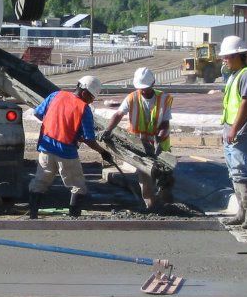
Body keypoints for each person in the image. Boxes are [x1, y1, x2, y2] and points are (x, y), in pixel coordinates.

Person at [28, 76, 114, 219]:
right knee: (77, 186)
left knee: (40, 182)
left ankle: (33, 215)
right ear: (85, 93)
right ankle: (74, 217)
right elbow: (89, 139)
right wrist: (103, 152)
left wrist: (55, 123)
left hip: (46, 148)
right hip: (66, 153)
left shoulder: (55, 95)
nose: (91, 101)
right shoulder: (83, 108)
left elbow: (37, 113)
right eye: (91, 98)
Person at [100, 67, 173, 209]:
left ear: (153, 83)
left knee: (164, 178)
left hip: (160, 146)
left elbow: (165, 123)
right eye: (141, 88)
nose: (143, 91)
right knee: (145, 178)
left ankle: (166, 205)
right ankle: (151, 206)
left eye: (146, 88)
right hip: (139, 145)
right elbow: (118, 114)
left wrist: (158, 141)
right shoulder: (132, 97)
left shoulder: (164, 99)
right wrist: (108, 130)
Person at [218, 35, 247, 229]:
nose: (224, 60)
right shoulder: (235, 75)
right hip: (232, 129)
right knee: (234, 173)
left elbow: (246, 104)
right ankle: (242, 213)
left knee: (240, 172)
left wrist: (234, 129)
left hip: (242, 131)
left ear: (238, 55)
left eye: (227, 56)